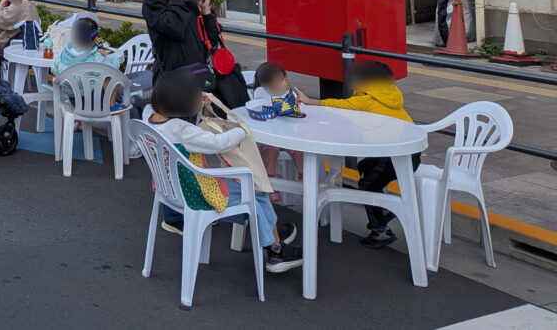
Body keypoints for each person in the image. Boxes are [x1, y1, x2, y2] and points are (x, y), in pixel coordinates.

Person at [145, 69, 303, 273]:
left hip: (172, 191)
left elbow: (153, 105)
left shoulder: (149, 117)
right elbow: (218, 143)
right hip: (197, 193)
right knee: (256, 190)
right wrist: (242, 130)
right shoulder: (181, 130)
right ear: (184, 103)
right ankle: (274, 249)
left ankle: (268, 232)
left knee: (249, 189)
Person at [295, 61, 415, 248]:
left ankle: (380, 230)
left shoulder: (366, 100)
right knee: (364, 166)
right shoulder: (389, 93)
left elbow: (338, 106)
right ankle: (382, 209)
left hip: (393, 154)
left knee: (366, 184)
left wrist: (310, 101)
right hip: (410, 153)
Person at [142, 0, 247, 107]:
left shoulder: (192, 2)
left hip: (202, 79)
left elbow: (212, 40)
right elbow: (173, 26)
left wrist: (205, 10)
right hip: (173, 82)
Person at [250, 63, 305, 202]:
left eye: (283, 79)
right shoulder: (260, 96)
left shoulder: (290, 94)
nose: (282, 84)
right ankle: (269, 182)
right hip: (268, 139)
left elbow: (299, 111)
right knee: (270, 150)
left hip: (287, 137)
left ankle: (305, 178)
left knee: (300, 150)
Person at [52, 16, 121, 74]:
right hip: (91, 90)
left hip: (68, 89)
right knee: (109, 78)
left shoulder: (63, 54)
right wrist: (106, 54)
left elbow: (54, 70)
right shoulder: (96, 58)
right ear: (96, 38)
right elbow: (114, 66)